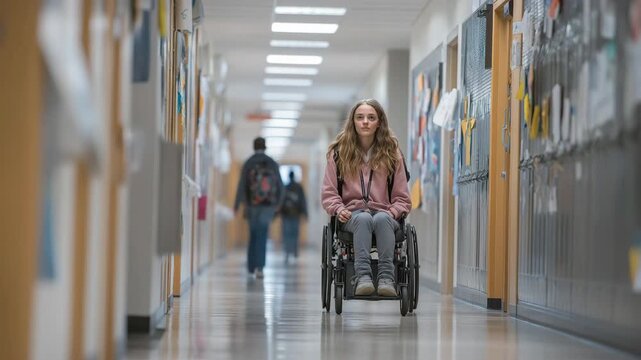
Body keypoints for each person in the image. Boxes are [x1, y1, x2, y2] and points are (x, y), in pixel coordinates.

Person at [321, 99, 411, 297]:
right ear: (353, 121)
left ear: (379, 122)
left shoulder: (392, 153)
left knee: (380, 218)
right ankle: (363, 277)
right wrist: (339, 209)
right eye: (360, 117)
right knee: (362, 218)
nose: (365, 122)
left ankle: (387, 278)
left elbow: (402, 198)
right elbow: (329, 193)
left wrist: (392, 212)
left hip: (385, 215)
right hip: (352, 216)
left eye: (371, 118)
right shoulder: (338, 153)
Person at [234, 137, 284, 279]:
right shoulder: (272, 163)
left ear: (253, 147)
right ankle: (260, 268)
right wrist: (278, 204)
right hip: (268, 206)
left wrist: (237, 204)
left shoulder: (249, 162)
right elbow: (280, 185)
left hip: (252, 205)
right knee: (262, 235)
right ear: (265, 147)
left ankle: (251, 266)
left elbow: (242, 185)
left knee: (253, 234)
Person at [280, 170, 308, 264]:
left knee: (287, 234)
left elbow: (281, 201)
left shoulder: (285, 187)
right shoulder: (298, 187)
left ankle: (287, 252)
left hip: (286, 214)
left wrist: (277, 213)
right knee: (295, 233)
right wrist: (305, 213)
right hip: (296, 214)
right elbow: (302, 201)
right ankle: (295, 252)